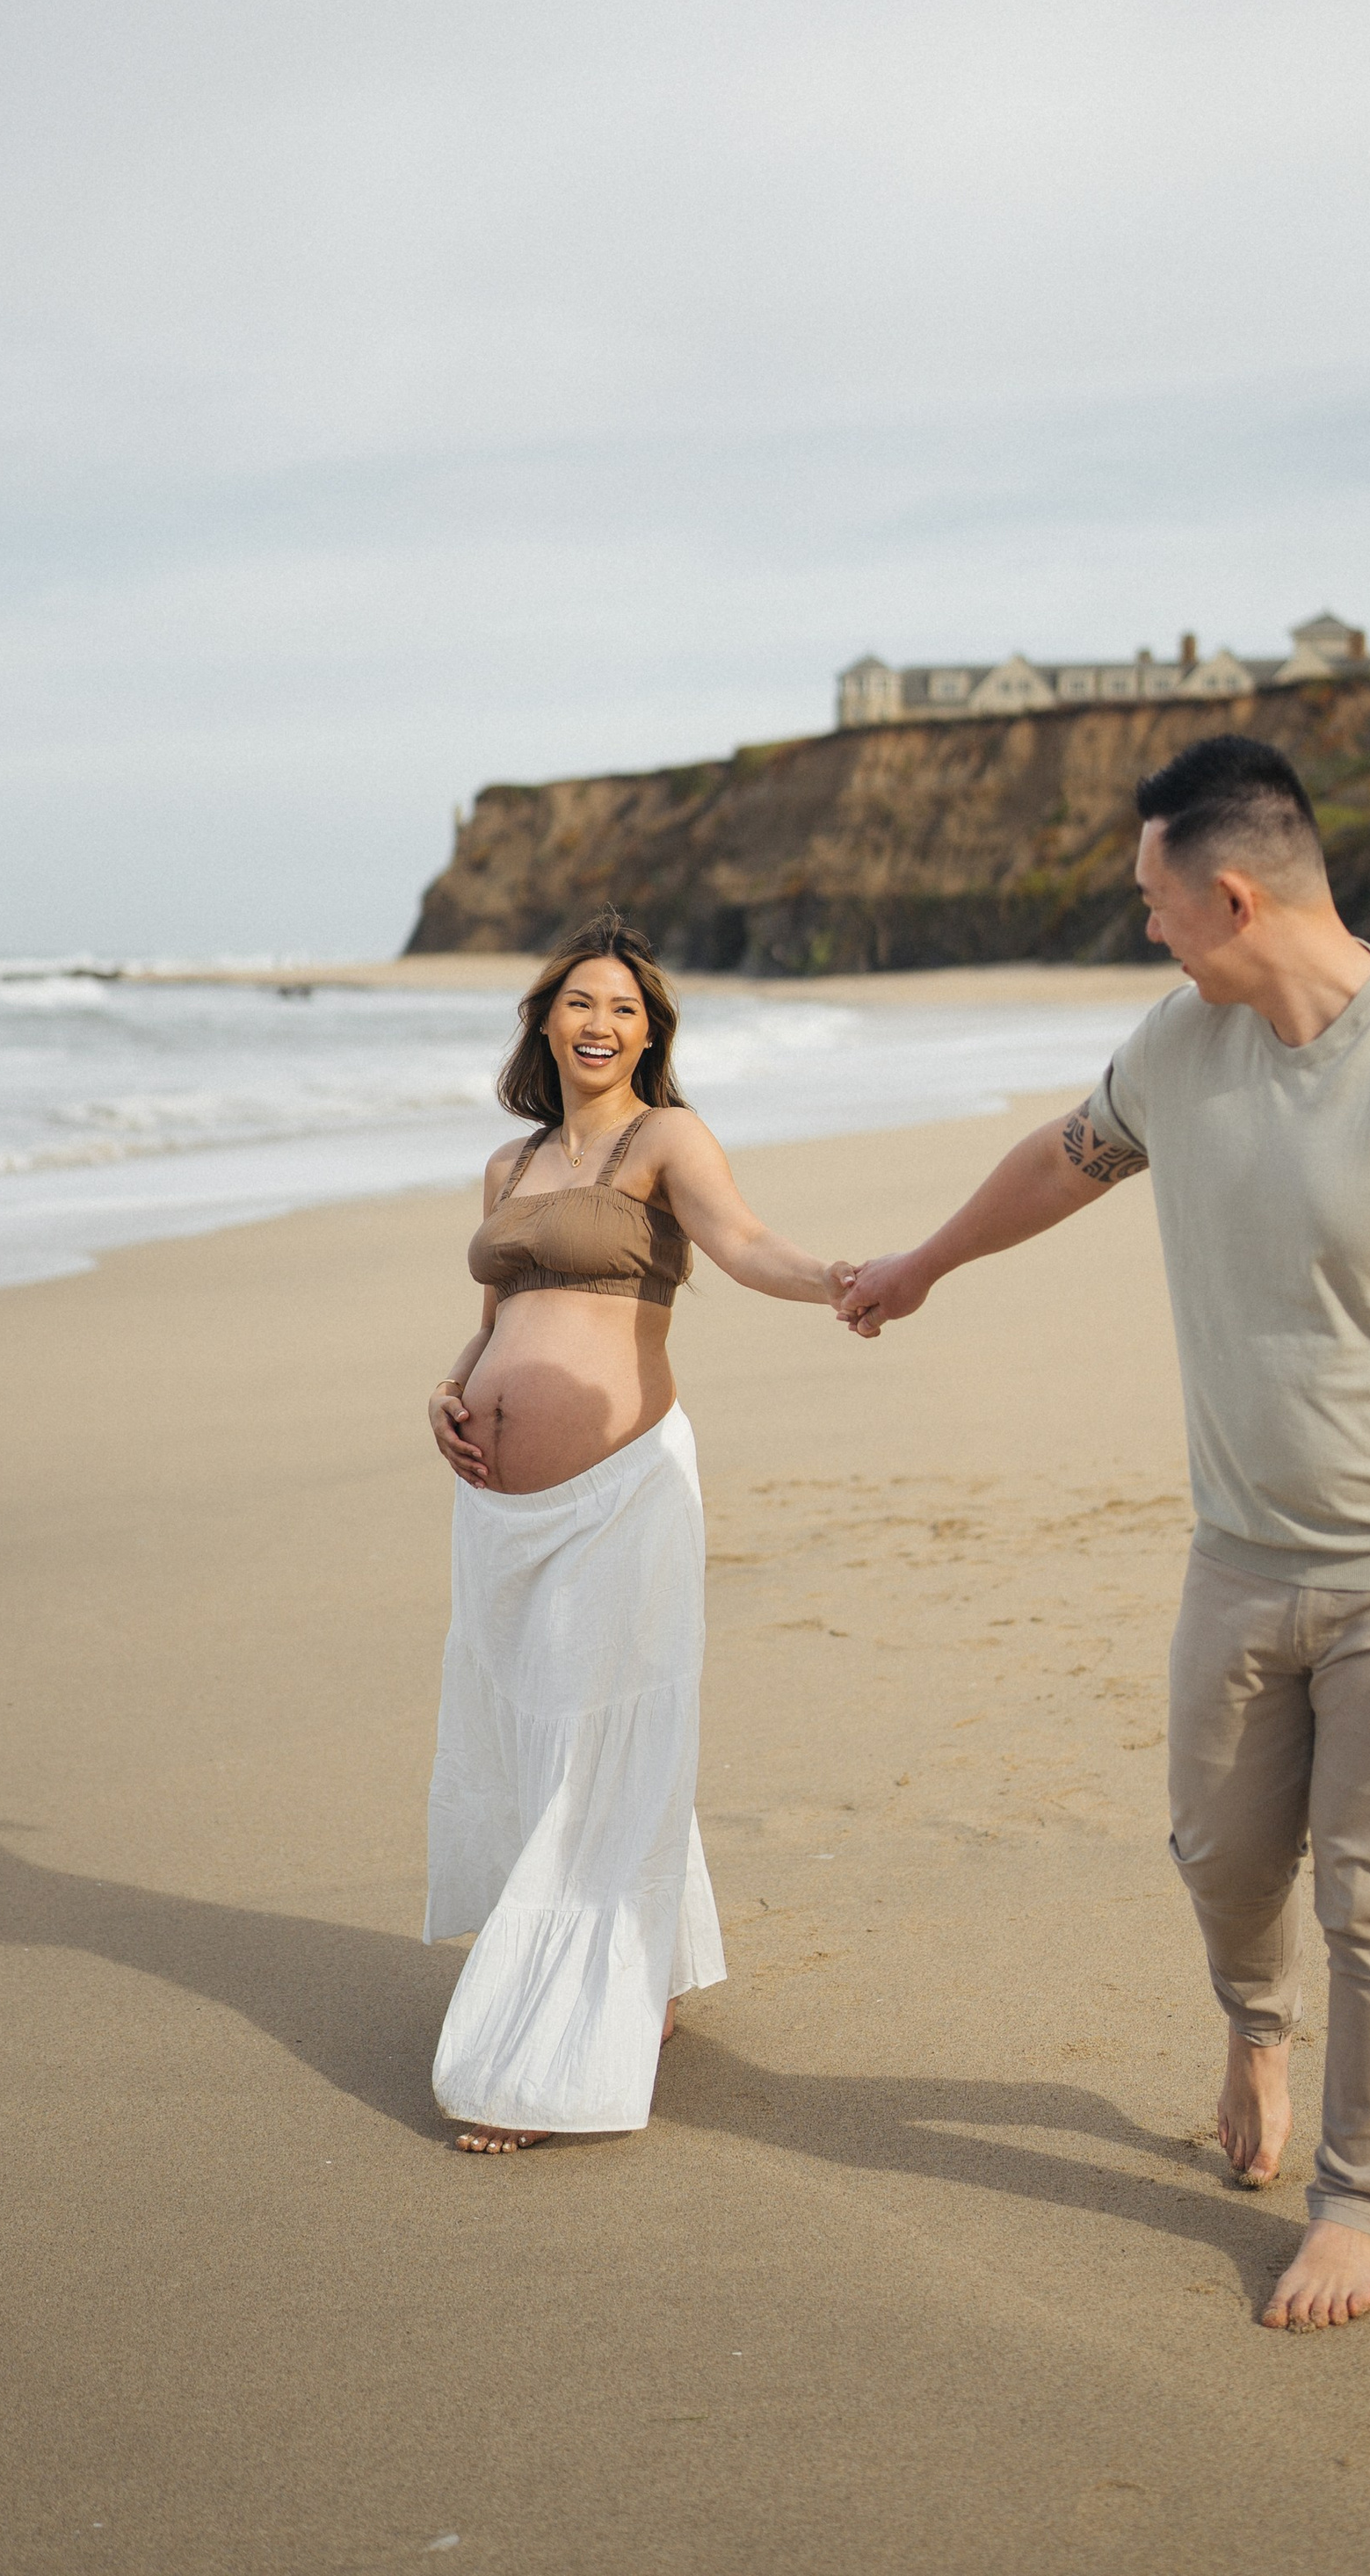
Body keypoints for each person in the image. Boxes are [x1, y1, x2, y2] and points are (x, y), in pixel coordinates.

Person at [839, 735, 1370, 2329]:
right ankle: (1258, 2022)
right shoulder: (1186, 1043)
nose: (1146, 927)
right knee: (1221, 1851)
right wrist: (925, 1262)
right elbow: (1069, 1155)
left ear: (1232, 890)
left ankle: (1359, 2205)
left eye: (1153, 900)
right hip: (1236, 1556)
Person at [424, 912, 853, 2153]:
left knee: (589, 1738)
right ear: (545, 1022)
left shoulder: (666, 1138)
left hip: (620, 1491)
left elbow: (744, 1241)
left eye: (624, 1008)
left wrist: (834, 1277)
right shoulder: (508, 1168)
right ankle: (651, 1961)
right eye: (581, 1003)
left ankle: (548, 2050)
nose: (601, 1023)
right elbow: (500, 1307)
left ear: (648, 1031)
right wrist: (450, 1386)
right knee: (538, 1735)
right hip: (497, 1509)